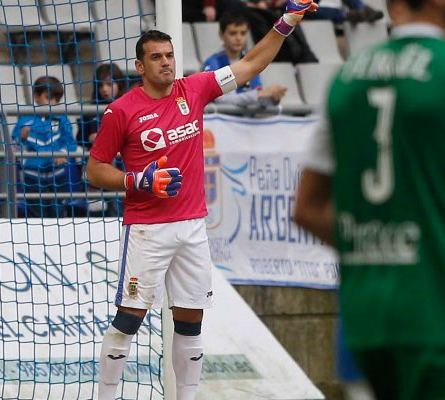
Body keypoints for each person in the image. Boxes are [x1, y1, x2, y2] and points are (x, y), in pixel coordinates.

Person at [86, 0, 318, 398]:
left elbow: (252, 65)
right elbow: (94, 170)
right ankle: (105, 395)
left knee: (191, 321)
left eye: (170, 55)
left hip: (193, 226)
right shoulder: (120, 111)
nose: (165, 62)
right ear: (140, 67)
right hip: (147, 230)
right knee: (129, 319)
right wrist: (139, 180)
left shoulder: (194, 89)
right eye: (156, 57)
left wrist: (286, 22)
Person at [293, 0, 445, 396]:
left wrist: (374, 244)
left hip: (364, 318)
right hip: (432, 311)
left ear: (393, 7)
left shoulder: (346, 78)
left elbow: (307, 209)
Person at [12, 76, 77, 217]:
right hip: (32, 177)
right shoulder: (25, 120)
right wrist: (21, 138)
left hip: (57, 176)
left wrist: (62, 153)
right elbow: (13, 149)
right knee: (36, 217)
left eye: (56, 100)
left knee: (58, 214)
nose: (52, 103)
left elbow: (71, 143)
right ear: (36, 96)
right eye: (48, 98)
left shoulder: (62, 119)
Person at [203, 11, 287, 106]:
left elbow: (257, 99)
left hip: (247, 118)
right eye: (233, 33)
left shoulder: (251, 60)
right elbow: (220, 100)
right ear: (221, 35)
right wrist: (258, 94)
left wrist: (273, 98)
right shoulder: (213, 63)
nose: (238, 38)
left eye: (243, 33)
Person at [76, 63, 127, 150]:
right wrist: (90, 138)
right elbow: (79, 138)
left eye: (109, 84)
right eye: (100, 85)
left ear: (119, 84)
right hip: (99, 158)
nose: (104, 89)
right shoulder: (91, 110)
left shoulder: (130, 106)